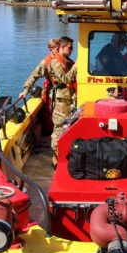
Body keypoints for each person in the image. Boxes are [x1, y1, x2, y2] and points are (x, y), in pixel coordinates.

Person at [48, 36, 77, 167]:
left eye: (72, 48)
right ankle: (55, 159)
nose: (72, 50)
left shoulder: (68, 62)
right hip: (61, 101)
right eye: (70, 48)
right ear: (62, 47)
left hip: (69, 99)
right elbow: (65, 79)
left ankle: (63, 155)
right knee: (58, 128)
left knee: (68, 127)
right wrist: (76, 67)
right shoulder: (55, 63)